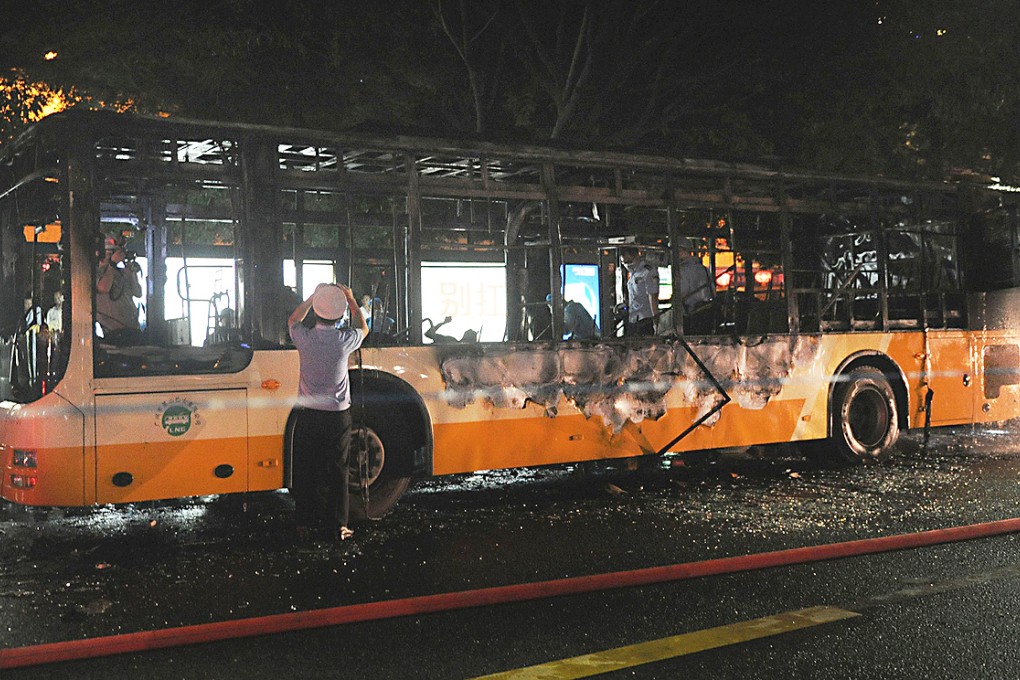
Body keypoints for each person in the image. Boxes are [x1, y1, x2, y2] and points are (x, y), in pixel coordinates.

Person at [288, 282, 367, 543]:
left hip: (308, 414)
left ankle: (303, 523)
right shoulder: (344, 341)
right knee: (338, 470)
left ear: (316, 312)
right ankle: (338, 526)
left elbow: (293, 319)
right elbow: (363, 327)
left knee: (306, 470)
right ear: (340, 314)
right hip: (337, 415)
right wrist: (351, 297)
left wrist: (314, 296)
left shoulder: (304, 337)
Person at [96, 236, 143, 345]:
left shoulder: (123, 271)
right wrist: (112, 264)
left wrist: (132, 272)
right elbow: (103, 288)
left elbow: (138, 293)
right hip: (113, 331)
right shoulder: (97, 272)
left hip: (132, 328)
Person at [621, 248, 659, 336]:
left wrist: (656, 322)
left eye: (629, 261)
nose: (627, 265)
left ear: (637, 257)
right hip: (632, 319)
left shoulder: (648, 271)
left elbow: (653, 298)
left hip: (645, 320)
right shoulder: (633, 273)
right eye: (624, 262)